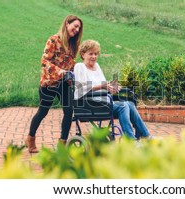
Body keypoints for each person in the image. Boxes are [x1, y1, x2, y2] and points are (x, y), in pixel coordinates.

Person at [73, 39, 153, 141]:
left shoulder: (96, 66)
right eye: (91, 54)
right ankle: (131, 140)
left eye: (96, 54)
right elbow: (80, 88)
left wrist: (111, 87)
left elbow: (102, 84)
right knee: (123, 106)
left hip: (102, 101)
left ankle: (146, 136)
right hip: (89, 104)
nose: (94, 56)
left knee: (130, 104)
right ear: (83, 54)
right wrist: (103, 86)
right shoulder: (80, 67)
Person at [25, 15, 84, 153]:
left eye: (78, 28)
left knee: (69, 112)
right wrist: (60, 71)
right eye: (75, 26)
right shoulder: (53, 40)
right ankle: (30, 138)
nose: (76, 30)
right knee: (43, 111)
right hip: (49, 83)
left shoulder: (73, 45)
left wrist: (78, 71)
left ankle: (62, 146)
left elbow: (71, 64)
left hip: (64, 84)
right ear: (66, 23)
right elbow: (44, 61)